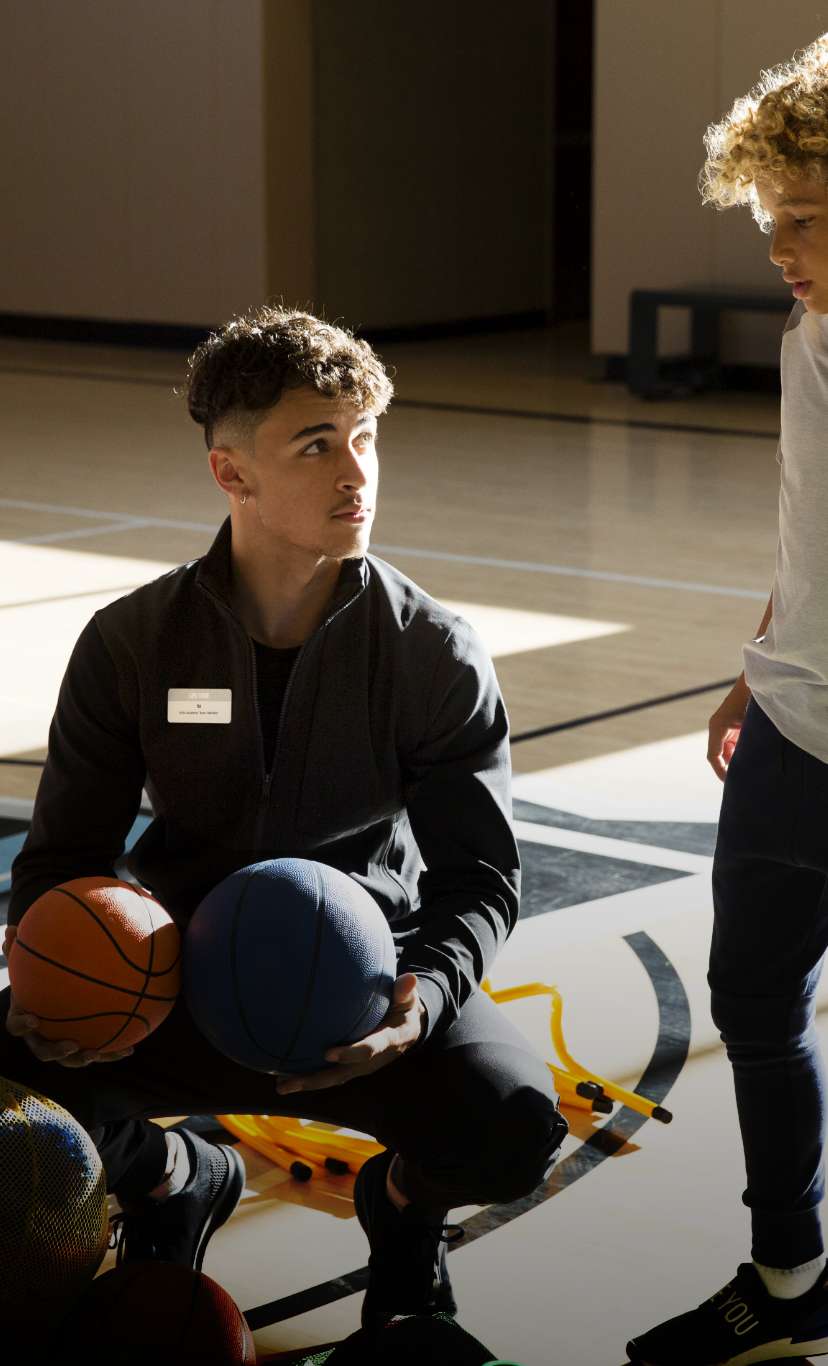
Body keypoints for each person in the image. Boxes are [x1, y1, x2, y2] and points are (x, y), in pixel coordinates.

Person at [0, 306, 566, 1328]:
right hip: (173, 982)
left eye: (367, 438)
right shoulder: (134, 642)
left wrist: (422, 998)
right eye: (317, 445)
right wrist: (61, 990)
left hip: (365, 987)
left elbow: (481, 879)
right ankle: (174, 1174)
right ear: (232, 474)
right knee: (6, 1074)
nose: (358, 473)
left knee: (516, 1123)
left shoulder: (430, 649)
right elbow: (62, 859)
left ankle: (401, 1213)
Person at [627, 32, 828, 1366]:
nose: (779, 252)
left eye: (803, 220)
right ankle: (792, 1271)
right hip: (797, 726)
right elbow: (808, 528)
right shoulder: (814, 336)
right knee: (755, 994)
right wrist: (752, 664)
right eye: (769, 225)